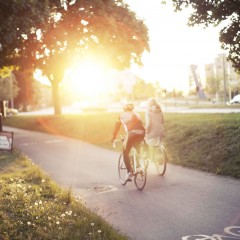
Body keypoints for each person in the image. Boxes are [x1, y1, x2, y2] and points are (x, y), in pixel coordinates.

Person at [111, 102, 145, 181]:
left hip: (132, 133)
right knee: (137, 148)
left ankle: (129, 172)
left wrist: (113, 138)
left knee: (125, 152)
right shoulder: (137, 114)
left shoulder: (121, 115)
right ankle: (140, 167)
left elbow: (117, 128)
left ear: (124, 109)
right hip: (142, 133)